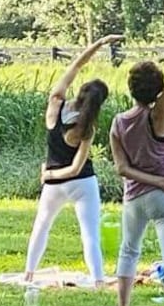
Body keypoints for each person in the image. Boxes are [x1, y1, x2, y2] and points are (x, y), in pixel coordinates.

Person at [107, 0, 164, 306]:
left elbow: (121, 169)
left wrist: (148, 182)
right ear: (158, 90)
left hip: (134, 198)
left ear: (131, 89)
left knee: (129, 251)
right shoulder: (159, 115)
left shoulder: (118, 122)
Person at [23, 40, 110, 289]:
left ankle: (29, 272)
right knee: (89, 233)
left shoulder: (56, 103)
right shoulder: (87, 129)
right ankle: (98, 279)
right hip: (83, 182)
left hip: (55, 184)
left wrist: (100, 43)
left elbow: (75, 65)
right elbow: (75, 168)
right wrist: (53, 174)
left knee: (41, 226)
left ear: (79, 92)